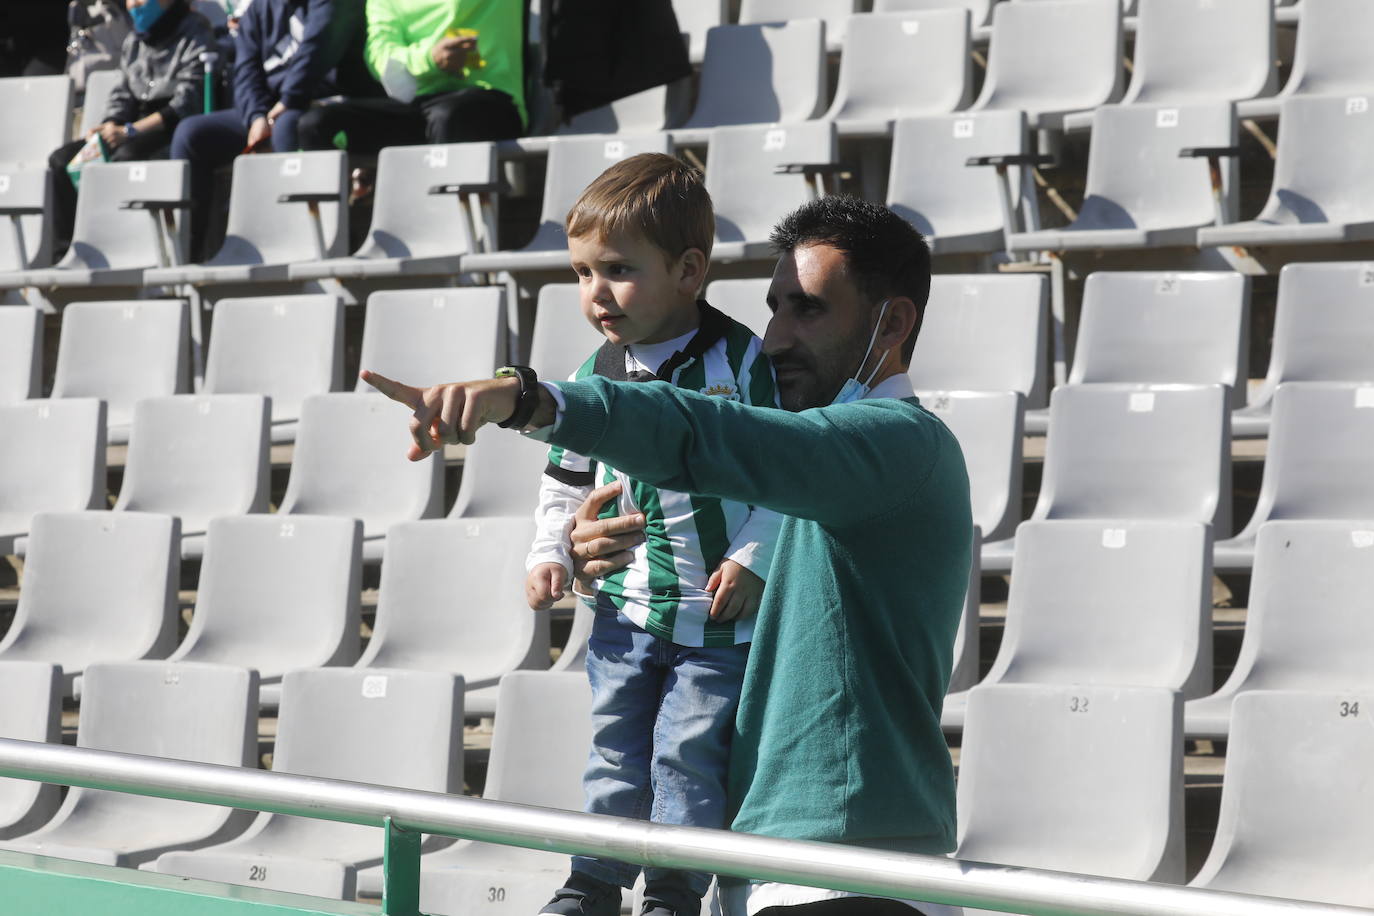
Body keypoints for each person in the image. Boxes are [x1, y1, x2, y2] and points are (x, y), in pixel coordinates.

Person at [363, 195, 971, 916]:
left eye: (807, 310)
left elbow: (708, 433)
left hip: (851, 878)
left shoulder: (900, 440)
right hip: (764, 868)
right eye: (773, 309)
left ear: (892, 323)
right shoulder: (812, 458)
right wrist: (604, 562)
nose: (773, 339)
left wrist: (531, 400)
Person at [531, 152, 781, 916]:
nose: (595, 293)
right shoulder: (595, 372)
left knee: (686, 756)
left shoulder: (742, 361)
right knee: (613, 751)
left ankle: (674, 891)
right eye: (580, 274)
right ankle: (593, 883)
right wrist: (550, 550)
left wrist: (754, 554)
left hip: (715, 619)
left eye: (616, 270)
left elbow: (785, 472)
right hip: (624, 610)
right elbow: (564, 482)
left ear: (689, 270)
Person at [169, 0, 365, 258]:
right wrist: (256, 116)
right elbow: (246, 71)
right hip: (269, 110)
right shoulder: (259, 9)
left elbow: (318, 49)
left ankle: (299, 249)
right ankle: (187, 259)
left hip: (324, 102)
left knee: (288, 127)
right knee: (192, 135)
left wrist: (288, 100)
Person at [45, 0, 213, 256]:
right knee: (62, 161)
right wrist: (107, 126)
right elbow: (122, 93)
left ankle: (125, 251)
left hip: (169, 128)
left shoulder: (196, 30)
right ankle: (71, 253)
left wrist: (130, 132)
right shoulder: (135, 39)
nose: (133, 4)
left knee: (125, 158)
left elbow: (187, 102)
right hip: (129, 127)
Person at [296, 0, 524, 155]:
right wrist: (430, 59)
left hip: (494, 100)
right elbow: (381, 56)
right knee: (316, 124)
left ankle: (444, 224)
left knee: (446, 117)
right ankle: (332, 225)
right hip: (417, 105)